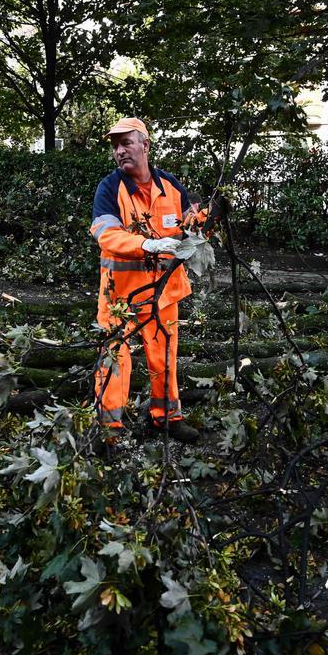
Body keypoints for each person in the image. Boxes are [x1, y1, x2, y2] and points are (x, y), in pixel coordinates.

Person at [90, 117, 202, 444]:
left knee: (163, 356)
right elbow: (107, 235)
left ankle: (167, 418)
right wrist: (146, 245)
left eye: (126, 143)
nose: (120, 150)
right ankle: (108, 431)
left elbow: (193, 225)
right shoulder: (110, 188)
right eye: (115, 146)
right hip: (119, 296)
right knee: (114, 357)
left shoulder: (170, 186)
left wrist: (214, 213)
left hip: (164, 293)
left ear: (145, 146)